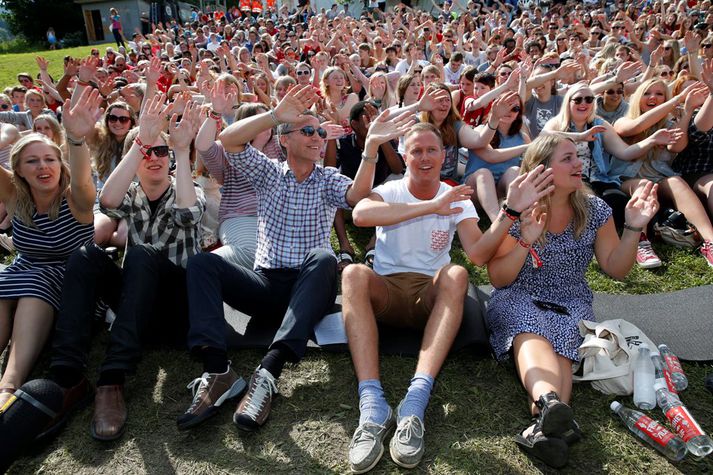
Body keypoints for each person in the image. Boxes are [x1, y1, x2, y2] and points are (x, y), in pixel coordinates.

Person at [176, 85, 413, 432]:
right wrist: (274, 115)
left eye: (320, 131)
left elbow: (355, 196)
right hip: (267, 284)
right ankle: (217, 371)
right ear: (284, 139)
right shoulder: (268, 172)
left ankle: (269, 371)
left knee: (322, 257)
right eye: (308, 130)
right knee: (201, 263)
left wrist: (372, 148)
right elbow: (228, 141)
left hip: (309, 286)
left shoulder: (327, 178)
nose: (318, 137)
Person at [343, 121, 554, 472]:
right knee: (352, 273)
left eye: (432, 150)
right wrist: (430, 207)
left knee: (456, 273)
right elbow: (360, 214)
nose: (424, 157)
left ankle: (415, 400)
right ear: (405, 157)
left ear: (444, 155)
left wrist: (510, 214)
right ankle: (372, 403)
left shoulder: (456, 198)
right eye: (416, 151)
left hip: (428, 298)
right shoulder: (392, 189)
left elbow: (477, 254)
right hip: (387, 293)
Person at [485, 134, 660, 468]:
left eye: (577, 156)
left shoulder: (594, 210)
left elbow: (616, 268)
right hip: (519, 294)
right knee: (531, 330)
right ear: (543, 169)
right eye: (567, 158)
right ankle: (550, 411)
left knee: (563, 346)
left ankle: (546, 421)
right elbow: (498, 277)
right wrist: (525, 241)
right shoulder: (522, 207)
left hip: (571, 301)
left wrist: (634, 228)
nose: (579, 163)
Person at [41, 95, 205, 441]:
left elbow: (190, 214)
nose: (155, 158)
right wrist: (141, 140)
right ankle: (66, 375)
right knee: (86, 255)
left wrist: (179, 150)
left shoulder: (187, 187)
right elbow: (108, 201)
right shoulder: (129, 193)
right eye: (148, 152)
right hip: (136, 305)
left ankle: (112, 378)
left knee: (143, 254)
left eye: (162, 152)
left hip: (178, 310)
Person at [0, 91, 97, 408]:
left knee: (35, 286)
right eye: (32, 161)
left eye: (50, 159)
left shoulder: (75, 200)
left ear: (60, 164)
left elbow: (83, 181)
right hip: (24, 268)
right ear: (20, 171)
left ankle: (8, 385)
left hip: (68, 277)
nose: (43, 167)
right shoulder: (15, 196)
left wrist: (76, 139)